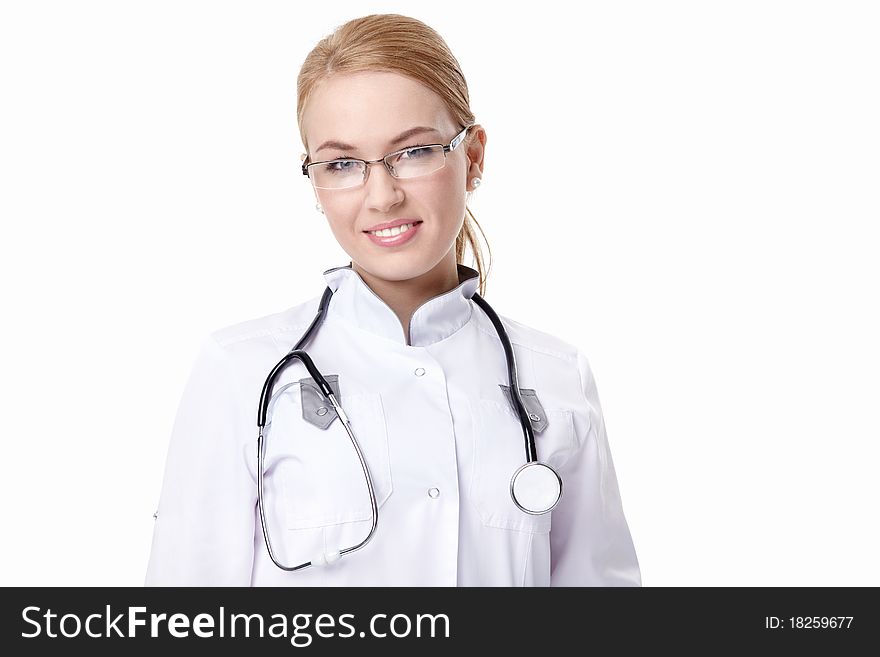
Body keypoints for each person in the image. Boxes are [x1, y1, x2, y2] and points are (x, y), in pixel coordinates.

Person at [145, 13, 641, 587]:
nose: (382, 195)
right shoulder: (241, 371)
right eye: (342, 164)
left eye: (414, 152)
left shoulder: (557, 378)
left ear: (473, 157)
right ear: (314, 180)